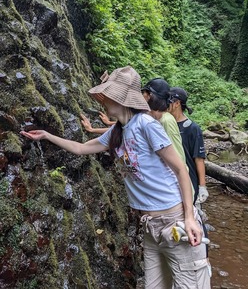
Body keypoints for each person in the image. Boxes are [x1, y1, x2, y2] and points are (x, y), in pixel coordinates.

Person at [21, 66, 211, 288]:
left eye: (107, 96)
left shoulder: (146, 125)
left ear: (120, 99)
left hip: (175, 221)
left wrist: (189, 217)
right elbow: (81, 148)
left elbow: (181, 169)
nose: (102, 102)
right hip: (151, 228)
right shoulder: (117, 131)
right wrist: (46, 135)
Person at [168, 87, 209, 206]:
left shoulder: (192, 128)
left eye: (168, 101)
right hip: (171, 180)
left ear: (177, 103)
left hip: (189, 180)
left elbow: (199, 158)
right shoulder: (165, 123)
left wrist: (202, 186)